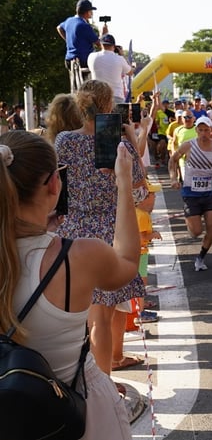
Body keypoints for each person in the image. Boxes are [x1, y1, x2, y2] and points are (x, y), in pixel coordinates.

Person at [2, 131, 140, 439]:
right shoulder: (78, 256)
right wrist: (124, 184)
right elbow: (128, 262)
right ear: (53, 183)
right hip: (78, 410)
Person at [54, 80, 147, 383]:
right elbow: (136, 182)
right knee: (102, 318)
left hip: (71, 232)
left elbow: (56, 183)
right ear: (109, 106)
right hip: (110, 231)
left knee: (80, 318)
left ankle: (86, 380)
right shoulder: (117, 143)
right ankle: (103, 386)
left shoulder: (65, 141)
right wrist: (129, 134)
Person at [168, 117, 212, 271]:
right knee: (196, 232)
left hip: (210, 193)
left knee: (211, 229)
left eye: (206, 130)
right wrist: (173, 178)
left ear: (211, 131)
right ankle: (189, 219)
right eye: (200, 130)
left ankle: (201, 257)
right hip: (191, 193)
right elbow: (173, 160)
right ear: (196, 130)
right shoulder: (189, 145)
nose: (203, 133)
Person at [57, 0, 103, 92]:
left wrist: (67, 40)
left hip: (70, 60)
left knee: (75, 88)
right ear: (87, 12)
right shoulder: (84, 26)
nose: (92, 13)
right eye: (91, 11)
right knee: (87, 90)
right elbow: (100, 44)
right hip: (83, 61)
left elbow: (59, 28)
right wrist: (103, 34)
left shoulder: (69, 21)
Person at [88, 34, 133, 104]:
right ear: (114, 46)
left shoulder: (91, 56)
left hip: (97, 96)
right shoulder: (120, 59)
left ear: (101, 44)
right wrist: (122, 55)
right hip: (116, 96)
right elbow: (130, 72)